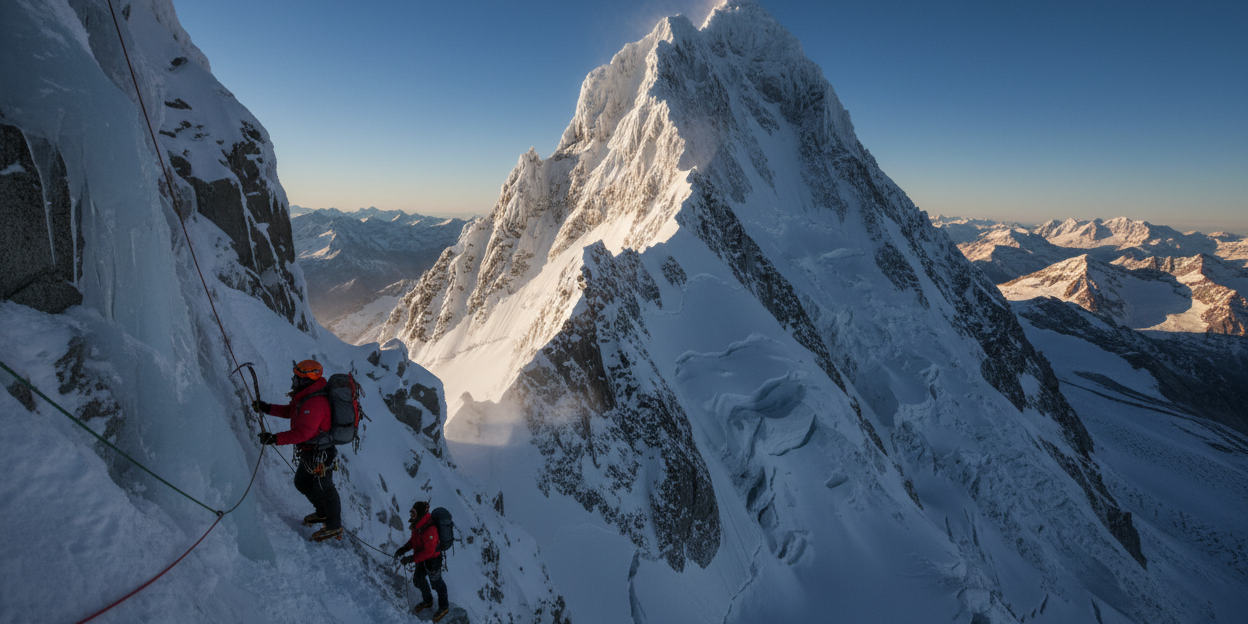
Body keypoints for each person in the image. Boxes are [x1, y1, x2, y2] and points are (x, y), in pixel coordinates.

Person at [253, 359, 343, 542]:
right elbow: (290, 412)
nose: (293, 381)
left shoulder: (315, 402)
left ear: (306, 380)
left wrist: (275, 439)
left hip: (321, 454)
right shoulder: (306, 397)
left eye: (297, 378)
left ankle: (334, 525)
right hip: (313, 451)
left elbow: (304, 433)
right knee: (302, 482)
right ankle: (323, 513)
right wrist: (267, 408)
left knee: (325, 488)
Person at [395, 501, 449, 621]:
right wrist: (404, 549)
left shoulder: (430, 530)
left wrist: (411, 558)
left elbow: (429, 552)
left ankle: (444, 607)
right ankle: (428, 600)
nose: (411, 513)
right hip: (421, 558)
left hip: (433, 560)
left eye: (413, 511)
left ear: (419, 513)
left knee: (437, 584)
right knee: (417, 580)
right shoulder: (418, 525)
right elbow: (414, 541)